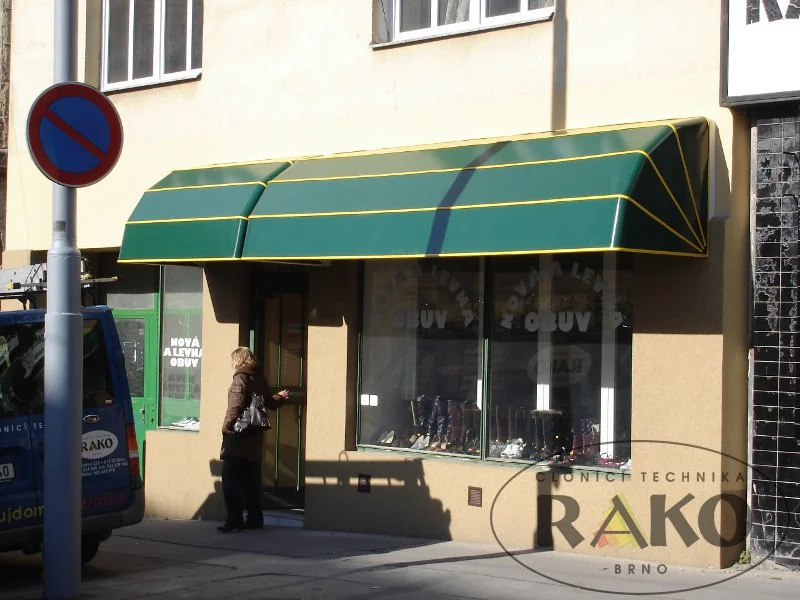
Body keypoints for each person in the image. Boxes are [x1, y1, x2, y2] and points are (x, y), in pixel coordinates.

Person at [219, 346, 289, 533]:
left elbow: (235, 406)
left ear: (237, 360)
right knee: (250, 482)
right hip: (254, 438)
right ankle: (255, 518)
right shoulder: (258, 378)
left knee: (230, 481)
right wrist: (279, 397)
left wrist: (226, 429)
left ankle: (234, 520)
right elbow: (270, 403)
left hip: (238, 437)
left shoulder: (240, 378)